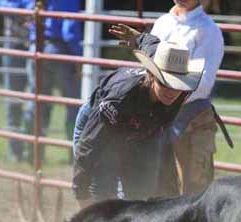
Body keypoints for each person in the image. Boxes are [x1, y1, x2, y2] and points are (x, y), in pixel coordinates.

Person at [72, 35, 205, 208]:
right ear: (151, 75)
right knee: (103, 194)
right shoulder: (121, 99)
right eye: (165, 83)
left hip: (143, 128)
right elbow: (90, 143)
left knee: (143, 193)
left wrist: (138, 37)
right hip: (106, 127)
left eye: (177, 85)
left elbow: (151, 45)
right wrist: (81, 190)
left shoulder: (177, 87)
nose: (172, 91)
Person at [109, 0, 225, 194]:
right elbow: (150, 69)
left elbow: (203, 82)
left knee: (194, 187)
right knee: (156, 182)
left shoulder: (209, 30)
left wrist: (167, 94)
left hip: (191, 117)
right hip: (157, 113)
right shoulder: (163, 23)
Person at [23, 0, 82, 164]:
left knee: (37, 102)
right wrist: (78, 58)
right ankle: (75, 155)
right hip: (60, 50)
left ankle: (33, 153)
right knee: (73, 104)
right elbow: (69, 30)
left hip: (37, 48)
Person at [0, 0, 32, 162]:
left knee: (37, 101)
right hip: (14, 45)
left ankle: (34, 151)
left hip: (35, 43)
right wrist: (23, 9)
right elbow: (0, 3)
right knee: (13, 100)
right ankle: (15, 151)